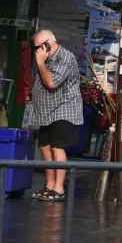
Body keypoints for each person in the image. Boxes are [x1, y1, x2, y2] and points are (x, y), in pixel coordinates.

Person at [27, 28, 83, 201]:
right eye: (36, 48)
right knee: (45, 146)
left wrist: (40, 63)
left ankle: (59, 188)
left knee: (57, 146)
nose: (37, 51)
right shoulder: (44, 58)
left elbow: (52, 82)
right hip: (45, 111)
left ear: (48, 44)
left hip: (63, 109)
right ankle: (49, 185)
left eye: (39, 47)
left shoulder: (65, 57)